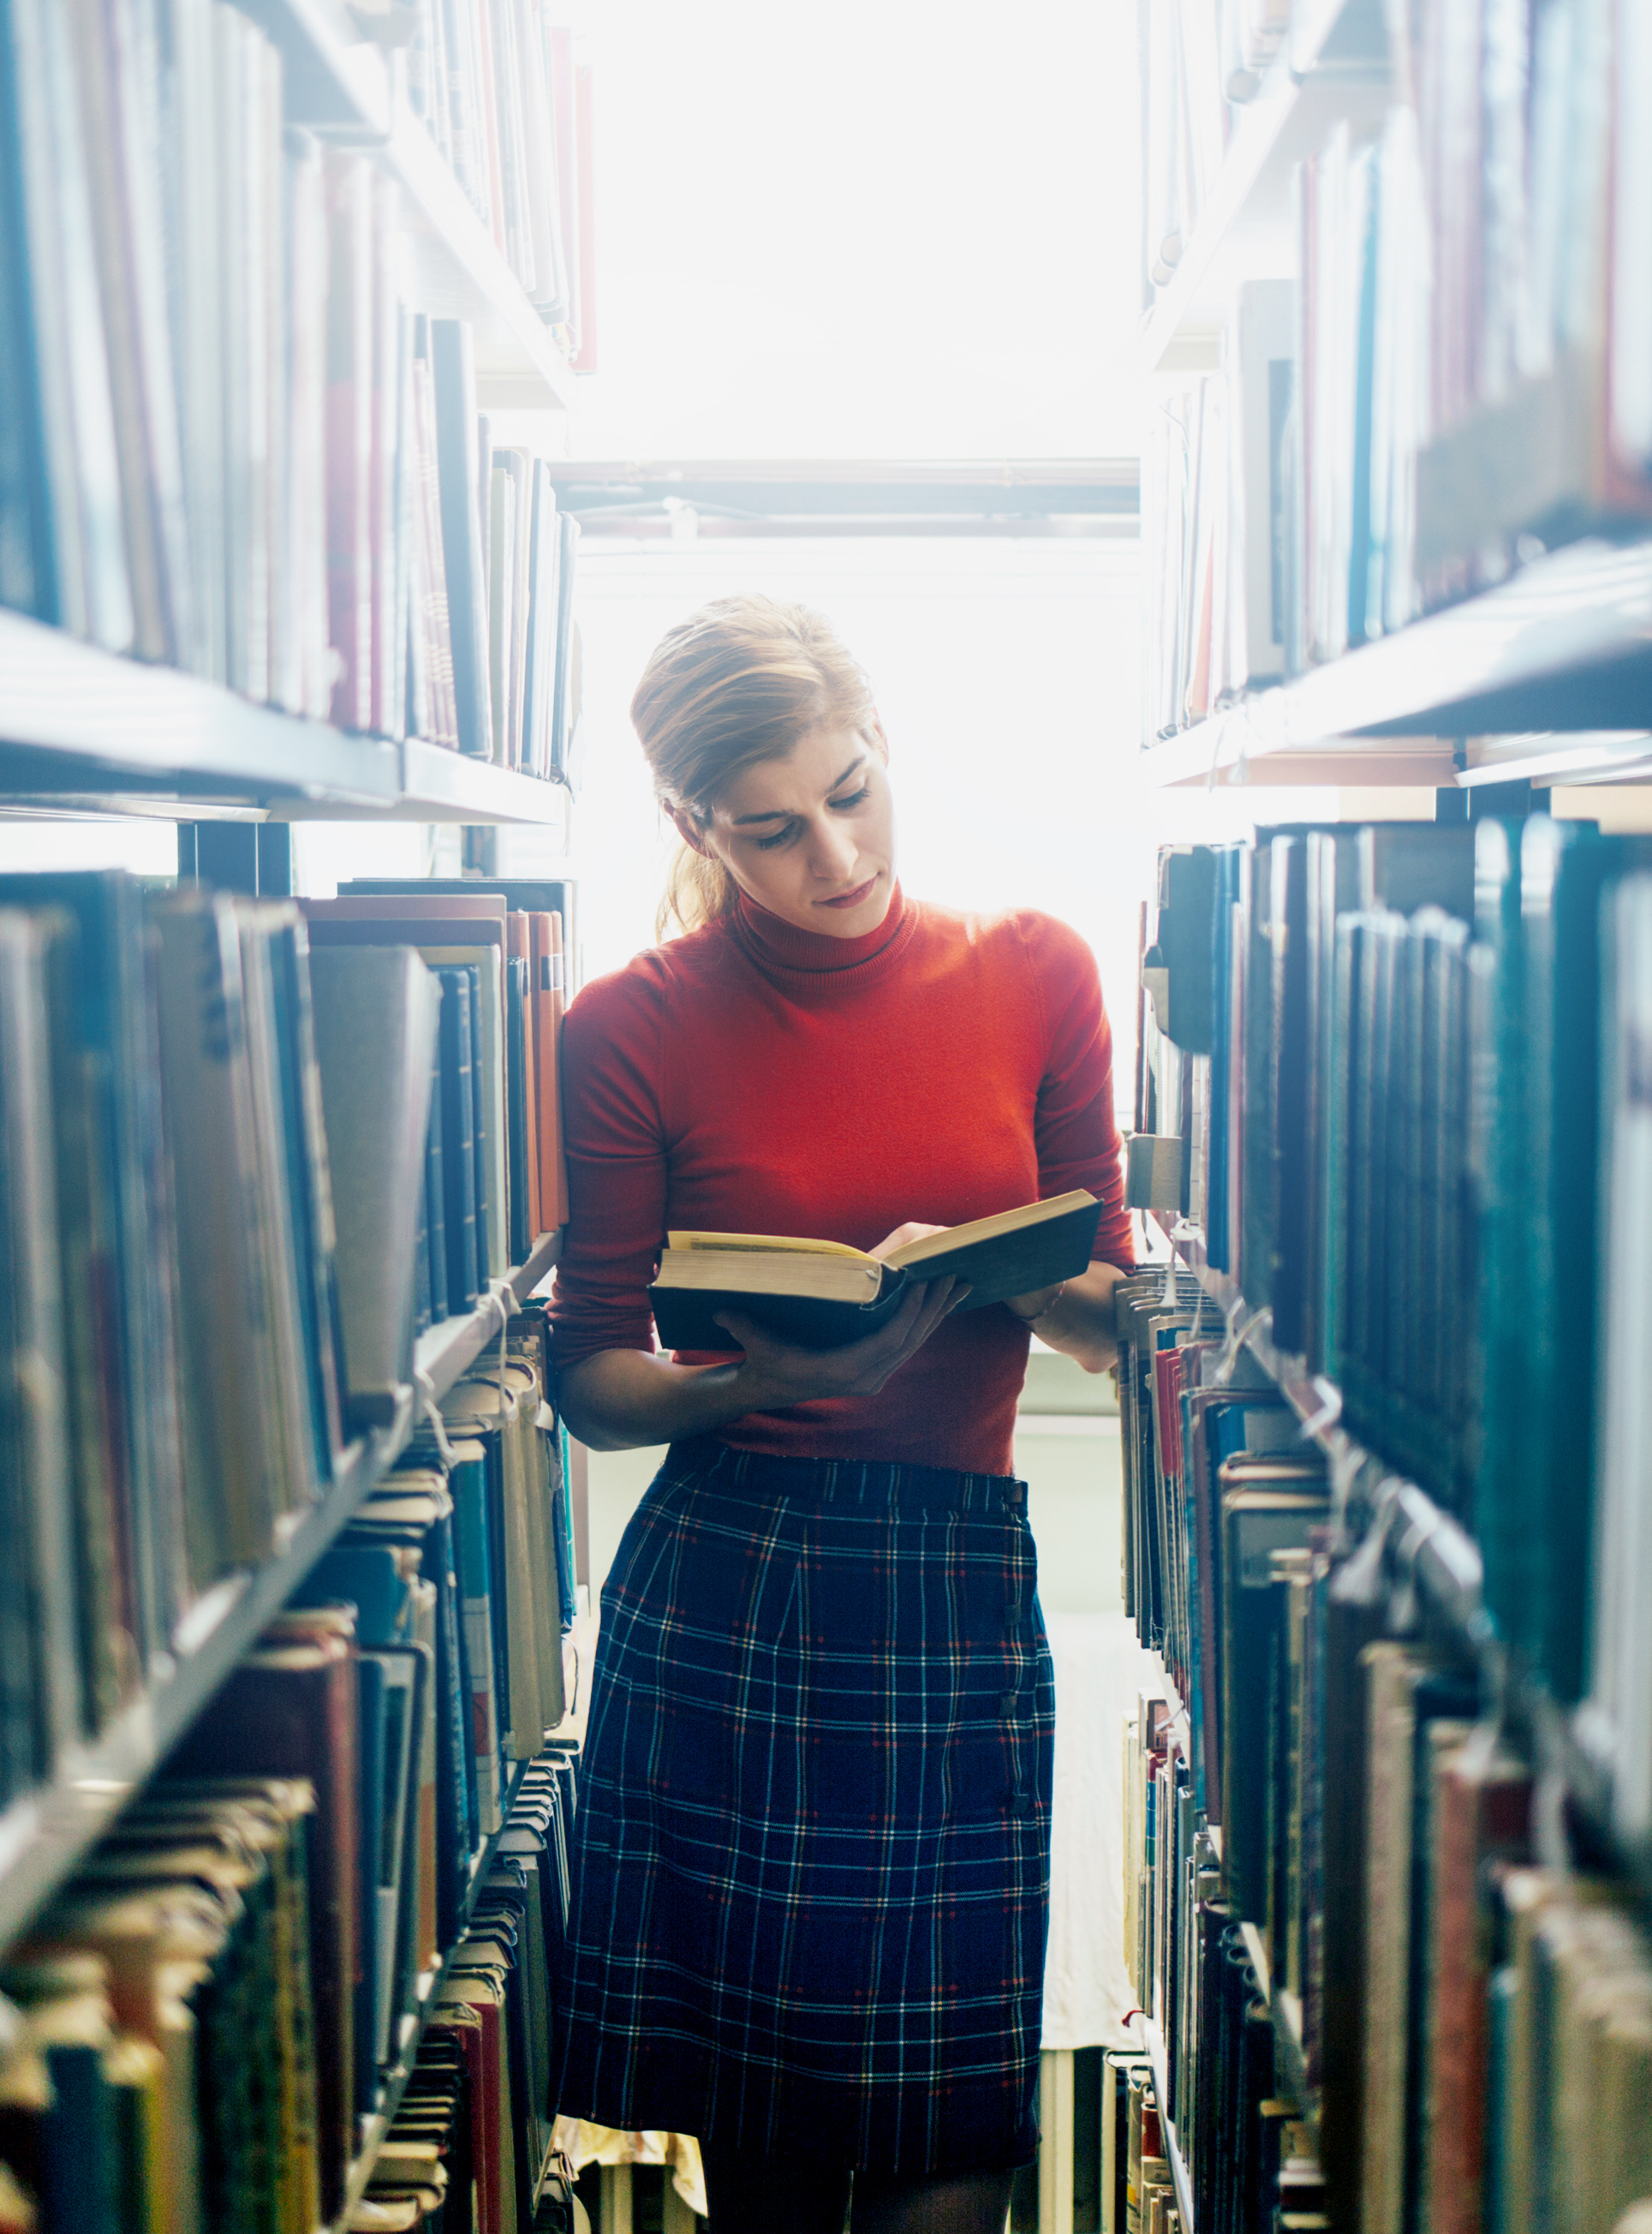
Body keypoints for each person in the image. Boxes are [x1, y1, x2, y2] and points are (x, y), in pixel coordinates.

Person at [544, 594, 1134, 2233]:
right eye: (774, 829)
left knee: (960, 2155)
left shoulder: (1035, 968)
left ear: (885, 749)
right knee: (782, 2165)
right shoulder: (627, 1026)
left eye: (854, 792)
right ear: (692, 826)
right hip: (738, 1590)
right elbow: (590, 1377)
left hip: (951, 1584)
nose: (836, 853)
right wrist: (761, 1384)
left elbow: (1106, 1312)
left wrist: (1018, 1276)